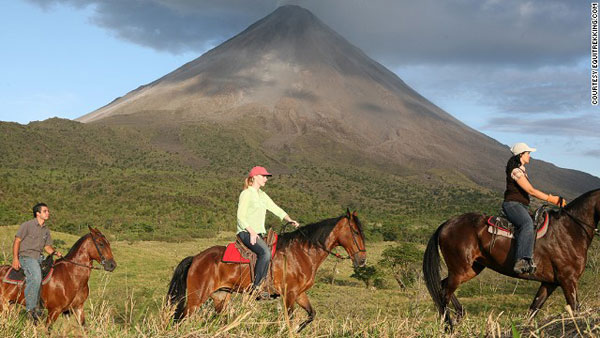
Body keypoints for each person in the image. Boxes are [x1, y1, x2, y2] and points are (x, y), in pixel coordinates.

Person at [502, 143, 566, 274]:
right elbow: (531, 190)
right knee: (527, 224)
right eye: (528, 153)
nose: (529, 156)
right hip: (513, 205)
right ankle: (521, 260)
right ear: (521, 154)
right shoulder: (516, 171)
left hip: (521, 205)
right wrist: (552, 199)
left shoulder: (522, 170)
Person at [237, 166, 299, 299]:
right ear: (254, 177)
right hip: (246, 232)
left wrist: (289, 219)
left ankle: (270, 284)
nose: (266, 179)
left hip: (259, 234)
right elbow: (240, 217)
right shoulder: (246, 193)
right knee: (265, 253)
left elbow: (274, 208)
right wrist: (252, 232)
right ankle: (256, 288)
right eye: (263, 176)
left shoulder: (262, 195)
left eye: (266, 176)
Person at [12, 203, 62, 321]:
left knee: (54, 272)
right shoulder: (27, 225)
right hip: (26, 257)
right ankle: (31, 310)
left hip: (39, 257)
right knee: (35, 277)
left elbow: (47, 247)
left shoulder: (46, 230)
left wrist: (55, 253)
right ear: (38, 213)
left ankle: (45, 303)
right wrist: (15, 258)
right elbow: (17, 241)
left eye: (48, 211)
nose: (48, 213)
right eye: (45, 211)